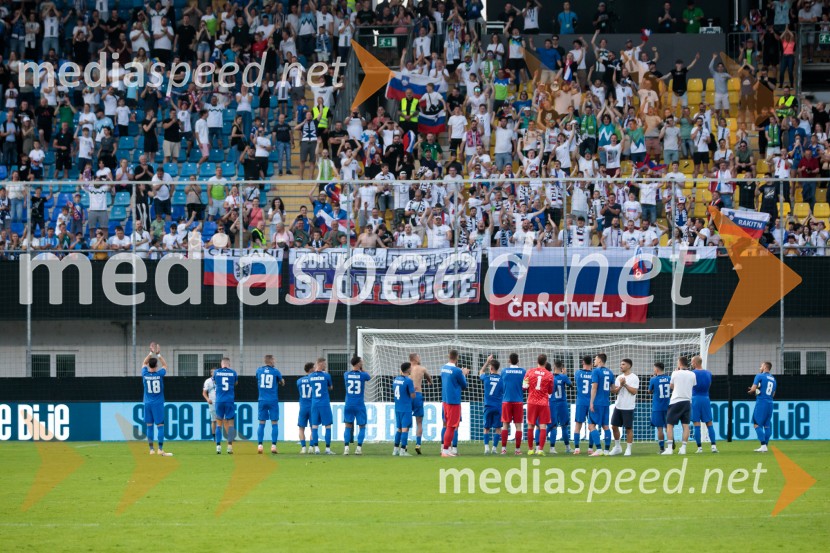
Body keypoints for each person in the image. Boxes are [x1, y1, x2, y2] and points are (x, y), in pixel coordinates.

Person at [142, 342, 171, 456]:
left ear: (149, 365)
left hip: (148, 403)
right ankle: (160, 449)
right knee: (160, 426)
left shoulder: (144, 374)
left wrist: (150, 352)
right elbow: (165, 366)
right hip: (158, 403)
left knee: (149, 426)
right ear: (156, 366)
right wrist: (158, 355)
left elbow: (144, 362)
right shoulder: (160, 374)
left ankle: (151, 450)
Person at [663, 355, 696, 455]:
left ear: (680, 363)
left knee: (669, 425)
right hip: (687, 401)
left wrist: (676, 372)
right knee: (685, 425)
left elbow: (672, 386)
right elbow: (693, 385)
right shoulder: (692, 374)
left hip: (676, 401)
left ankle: (669, 448)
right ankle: (683, 448)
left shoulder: (675, 373)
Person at [440, 349, 469, 457]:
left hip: (445, 401)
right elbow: (464, 385)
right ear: (457, 357)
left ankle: (445, 449)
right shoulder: (457, 371)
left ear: (449, 356)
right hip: (453, 401)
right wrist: (464, 374)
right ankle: (446, 451)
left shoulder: (443, 368)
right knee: (452, 426)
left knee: (447, 425)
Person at [609, 358, 639, 456]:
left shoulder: (634, 377)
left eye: (623, 364)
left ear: (629, 366)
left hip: (628, 407)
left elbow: (634, 391)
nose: (621, 366)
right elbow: (614, 391)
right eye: (621, 364)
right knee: (614, 426)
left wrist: (625, 384)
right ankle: (617, 447)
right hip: (619, 406)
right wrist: (621, 385)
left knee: (628, 428)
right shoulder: (619, 377)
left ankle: (628, 449)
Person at [524, 354, 553, 455]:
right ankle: (540, 449)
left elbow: (524, 387)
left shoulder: (530, 372)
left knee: (530, 426)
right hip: (543, 403)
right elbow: (550, 391)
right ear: (545, 362)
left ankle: (531, 449)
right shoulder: (549, 375)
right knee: (543, 426)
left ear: (537, 361)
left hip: (531, 401)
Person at [255, 355, 285, 455]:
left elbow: (257, 379)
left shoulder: (259, 370)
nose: (275, 361)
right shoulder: (275, 371)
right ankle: (273, 446)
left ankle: (260, 445)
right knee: (274, 423)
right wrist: (281, 381)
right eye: (274, 359)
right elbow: (282, 382)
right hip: (272, 400)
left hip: (262, 399)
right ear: (271, 361)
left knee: (261, 423)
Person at [343, 356, 371, 456]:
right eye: (361, 361)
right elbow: (369, 377)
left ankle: (346, 448)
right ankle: (358, 448)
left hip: (349, 404)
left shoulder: (346, 374)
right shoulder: (363, 375)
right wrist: (362, 369)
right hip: (359, 404)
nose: (363, 362)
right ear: (359, 363)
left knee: (347, 426)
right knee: (362, 426)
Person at [499, 352, 526, 455]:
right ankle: (517, 450)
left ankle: (503, 450)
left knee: (505, 425)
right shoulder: (523, 371)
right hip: (518, 401)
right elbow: (525, 387)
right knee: (518, 426)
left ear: (509, 360)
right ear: (518, 361)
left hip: (506, 400)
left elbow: (502, 385)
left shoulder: (504, 371)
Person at [691, 354, 719, 453]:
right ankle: (714, 446)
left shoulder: (692, 373)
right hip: (706, 398)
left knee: (696, 424)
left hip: (695, 399)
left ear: (694, 363)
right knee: (709, 423)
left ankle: (699, 448)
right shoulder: (708, 373)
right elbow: (709, 385)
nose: (691, 363)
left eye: (692, 362)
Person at [588, 353, 615, 456]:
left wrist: (591, 402)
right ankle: (607, 450)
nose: (594, 361)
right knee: (605, 426)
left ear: (599, 360)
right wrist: (621, 386)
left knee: (591, 425)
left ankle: (599, 449)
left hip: (597, 402)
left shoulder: (596, 371)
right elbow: (613, 389)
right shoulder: (610, 372)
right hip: (605, 403)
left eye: (595, 359)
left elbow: (594, 387)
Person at [748, 361, 777, 453]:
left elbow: (753, 389)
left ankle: (763, 445)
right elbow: (773, 394)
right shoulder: (773, 379)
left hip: (761, 403)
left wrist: (752, 391)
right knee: (767, 425)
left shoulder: (759, 376)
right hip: (770, 403)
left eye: (761, 366)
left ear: (765, 367)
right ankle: (766, 446)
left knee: (756, 424)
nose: (760, 367)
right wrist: (758, 390)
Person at [309, 357, 335, 455]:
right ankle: (327, 449)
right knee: (327, 426)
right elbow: (331, 387)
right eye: (324, 364)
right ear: (320, 364)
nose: (325, 365)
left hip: (315, 404)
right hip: (324, 403)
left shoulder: (310, 376)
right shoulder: (327, 376)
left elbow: (312, 386)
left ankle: (316, 448)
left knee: (314, 426)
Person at [408, 353, 433, 454]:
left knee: (405, 422)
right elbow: (429, 378)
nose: (420, 358)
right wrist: (429, 382)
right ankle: (418, 444)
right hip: (417, 395)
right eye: (418, 357)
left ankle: (404, 445)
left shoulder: (405, 369)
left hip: (408, 396)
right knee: (419, 422)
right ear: (414, 358)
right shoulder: (422, 368)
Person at [213, 357, 238, 455]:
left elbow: (215, 382)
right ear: (229, 364)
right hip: (229, 400)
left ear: (221, 364)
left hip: (219, 401)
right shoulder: (233, 372)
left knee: (218, 424)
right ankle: (229, 447)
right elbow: (236, 383)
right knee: (231, 424)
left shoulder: (216, 372)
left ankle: (218, 447)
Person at [479, 355, 503, 455]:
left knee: (486, 428)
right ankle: (494, 448)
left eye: (489, 367)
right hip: (498, 406)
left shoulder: (487, 378)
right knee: (498, 428)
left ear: (491, 368)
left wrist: (487, 362)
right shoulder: (502, 379)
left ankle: (486, 448)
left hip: (488, 406)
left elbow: (480, 372)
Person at [547, 361, 573, 454]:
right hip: (562, 404)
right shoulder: (564, 377)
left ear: (554, 367)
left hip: (552, 403)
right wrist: (564, 375)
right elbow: (571, 386)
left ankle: (545, 447)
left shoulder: (550, 377)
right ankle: (567, 448)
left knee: (552, 426)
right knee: (564, 426)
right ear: (562, 367)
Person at [393, 362, 416, 457]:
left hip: (397, 407)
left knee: (399, 429)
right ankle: (403, 450)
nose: (412, 369)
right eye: (410, 368)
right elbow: (413, 395)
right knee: (405, 429)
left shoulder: (396, 379)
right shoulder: (408, 380)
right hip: (406, 408)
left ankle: (395, 450)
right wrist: (414, 390)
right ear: (407, 369)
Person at [572, 355, 595, 454]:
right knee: (592, 425)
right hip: (591, 402)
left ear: (582, 362)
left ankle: (577, 448)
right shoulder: (594, 373)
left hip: (581, 402)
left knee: (578, 424)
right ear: (592, 363)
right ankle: (590, 448)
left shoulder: (578, 373)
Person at [648, 362, 671, 453]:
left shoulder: (653, 379)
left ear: (656, 369)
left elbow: (649, 391)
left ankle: (662, 448)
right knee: (668, 427)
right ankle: (670, 443)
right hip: (668, 406)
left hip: (657, 407)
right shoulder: (669, 378)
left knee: (659, 428)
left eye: (654, 369)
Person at [297, 362, 315, 454]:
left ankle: (303, 447)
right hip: (312, 407)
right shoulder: (314, 379)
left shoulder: (299, 381)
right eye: (314, 367)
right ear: (311, 369)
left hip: (303, 407)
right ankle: (311, 447)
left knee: (301, 428)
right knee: (313, 428)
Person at [201, 368, 217, 442]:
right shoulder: (208, 381)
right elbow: (204, 393)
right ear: (211, 373)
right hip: (212, 402)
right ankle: (214, 437)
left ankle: (227, 437)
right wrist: (208, 399)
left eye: (216, 372)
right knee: (213, 420)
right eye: (213, 372)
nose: (215, 373)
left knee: (224, 419)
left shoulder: (220, 380)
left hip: (221, 402)